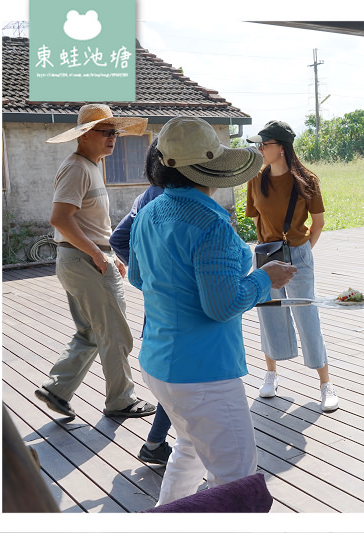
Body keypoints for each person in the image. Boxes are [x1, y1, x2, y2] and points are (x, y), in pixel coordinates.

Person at [128, 116, 296, 505]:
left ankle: (165, 515)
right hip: (204, 373)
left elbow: (138, 277)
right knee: (237, 479)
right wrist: (264, 278)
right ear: (212, 168)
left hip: (158, 361)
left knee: (188, 449)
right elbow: (222, 306)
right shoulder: (212, 223)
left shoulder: (150, 211)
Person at [35, 103, 157, 420]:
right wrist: (97, 254)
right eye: (106, 132)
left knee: (90, 331)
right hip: (85, 261)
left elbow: (89, 223)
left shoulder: (90, 166)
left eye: (115, 132)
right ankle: (122, 400)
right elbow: (60, 219)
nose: (112, 138)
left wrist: (108, 254)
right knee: (116, 332)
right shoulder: (77, 167)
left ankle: (57, 389)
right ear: (86, 134)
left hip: (83, 259)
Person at [245, 120, 339, 412]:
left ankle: (325, 384)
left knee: (307, 316)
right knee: (269, 315)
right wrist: (269, 250)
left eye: (265, 144)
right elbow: (257, 218)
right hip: (265, 255)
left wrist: (301, 254)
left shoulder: (306, 180)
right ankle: (271, 374)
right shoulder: (255, 179)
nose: (260, 149)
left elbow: (318, 223)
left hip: (298, 254)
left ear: (281, 148)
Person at [110, 147, 172, 465]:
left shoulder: (147, 196)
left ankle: (155, 441)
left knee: (169, 372)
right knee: (180, 375)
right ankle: (156, 442)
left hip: (157, 303)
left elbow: (118, 239)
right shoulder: (171, 199)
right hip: (178, 306)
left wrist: (145, 277)